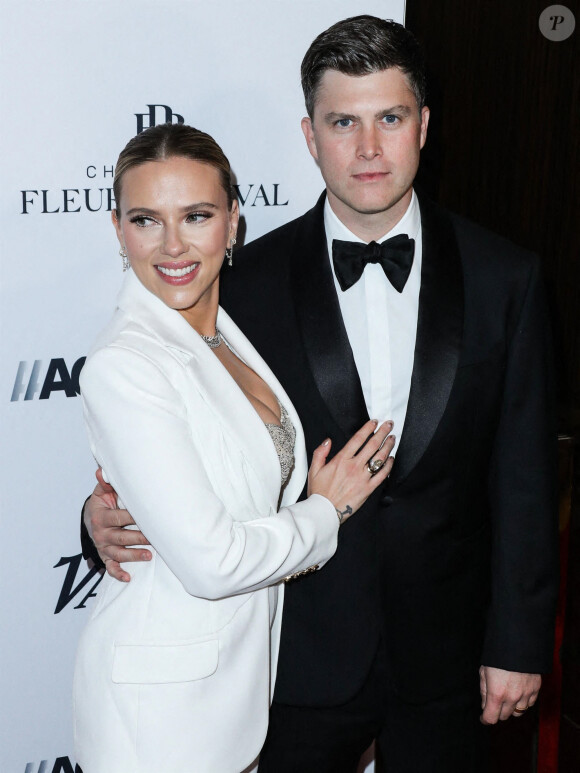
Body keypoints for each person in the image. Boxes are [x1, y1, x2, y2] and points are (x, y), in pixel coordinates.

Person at [82, 16, 559, 773]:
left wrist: (518, 641)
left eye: (390, 119)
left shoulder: (507, 278)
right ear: (310, 135)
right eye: (344, 123)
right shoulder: (237, 283)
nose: (368, 150)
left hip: (447, 659)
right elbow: (173, 431)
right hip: (288, 660)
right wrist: (98, 515)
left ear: (424, 126)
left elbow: (525, 477)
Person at [74, 122, 396, 773]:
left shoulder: (226, 329)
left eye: (195, 215)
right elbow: (213, 561)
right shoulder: (124, 362)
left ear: (233, 221)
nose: (172, 244)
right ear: (117, 229)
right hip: (160, 715)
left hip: (238, 696)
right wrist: (324, 509)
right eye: (145, 218)